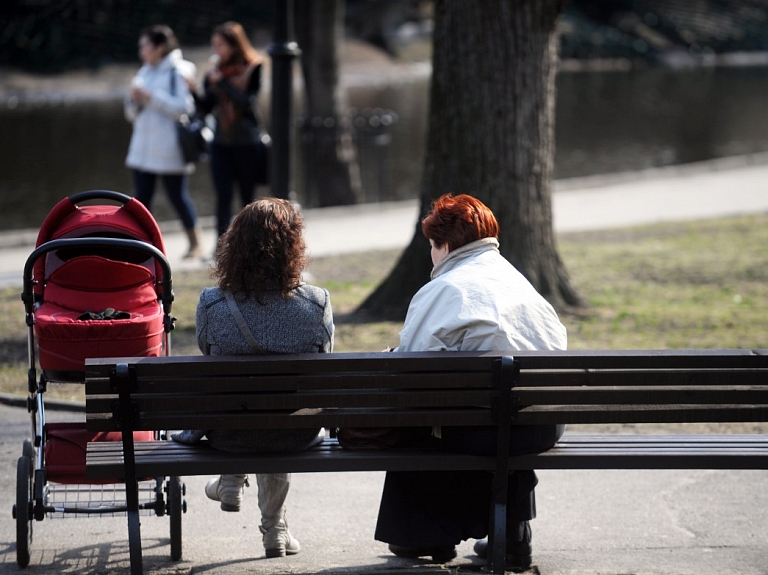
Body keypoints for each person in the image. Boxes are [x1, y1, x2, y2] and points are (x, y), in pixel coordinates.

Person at [374, 193, 568, 570]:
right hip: (540, 427)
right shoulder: (522, 284)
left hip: (480, 430)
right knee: (504, 409)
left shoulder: (442, 290)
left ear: (445, 246)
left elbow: (410, 374)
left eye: (432, 245)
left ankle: (428, 535)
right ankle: (512, 534)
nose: (432, 255)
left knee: (429, 423)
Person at [172, 197, 334, 558]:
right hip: (295, 433)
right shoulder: (316, 303)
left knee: (250, 408)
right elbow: (324, 361)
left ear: (235, 245)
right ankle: (274, 530)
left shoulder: (212, 303)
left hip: (228, 433)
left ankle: (232, 480)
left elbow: (207, 352)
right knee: (281, 412)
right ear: (294, 247)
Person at [125, 24, 203, 259]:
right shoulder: (144, 71)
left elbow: (184, 108)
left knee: (178, 197)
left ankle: (195, 244)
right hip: (142, 149)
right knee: (141, 201)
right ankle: (140, 249)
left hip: (169, 150)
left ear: (159, 48)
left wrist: (151, 97)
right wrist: (135, 101)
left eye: (145, 46)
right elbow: (130, 114)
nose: (142, 52)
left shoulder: (178, 71)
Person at [192, 21, 268, 238]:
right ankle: (221, 248)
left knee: (248, 198)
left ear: (234, 46)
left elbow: (247, 102)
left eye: (220, 45)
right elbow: (206, 108)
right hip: (221, 143)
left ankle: (250, 245)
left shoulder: (253, 67)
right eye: (214, 45)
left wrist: (223, 83)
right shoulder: (213, 73)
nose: (216, 51)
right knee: (223, 197)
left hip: (247, 141)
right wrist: (193, 92)